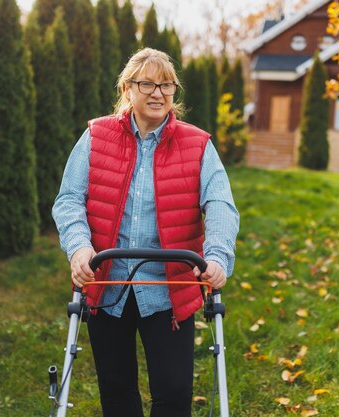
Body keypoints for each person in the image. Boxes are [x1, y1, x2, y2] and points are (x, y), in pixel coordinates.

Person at [52, 48, 240, 417]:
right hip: (108, 284)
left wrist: (216, 256)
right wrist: (78, 249)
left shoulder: (197, 144)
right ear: (128, 88)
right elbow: (69, 200)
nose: (158, 93)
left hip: (170, 290)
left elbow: (220, 204)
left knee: (173, 393)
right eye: (147, 84)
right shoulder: (96, 135)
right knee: (117, 391)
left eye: (166, 85)